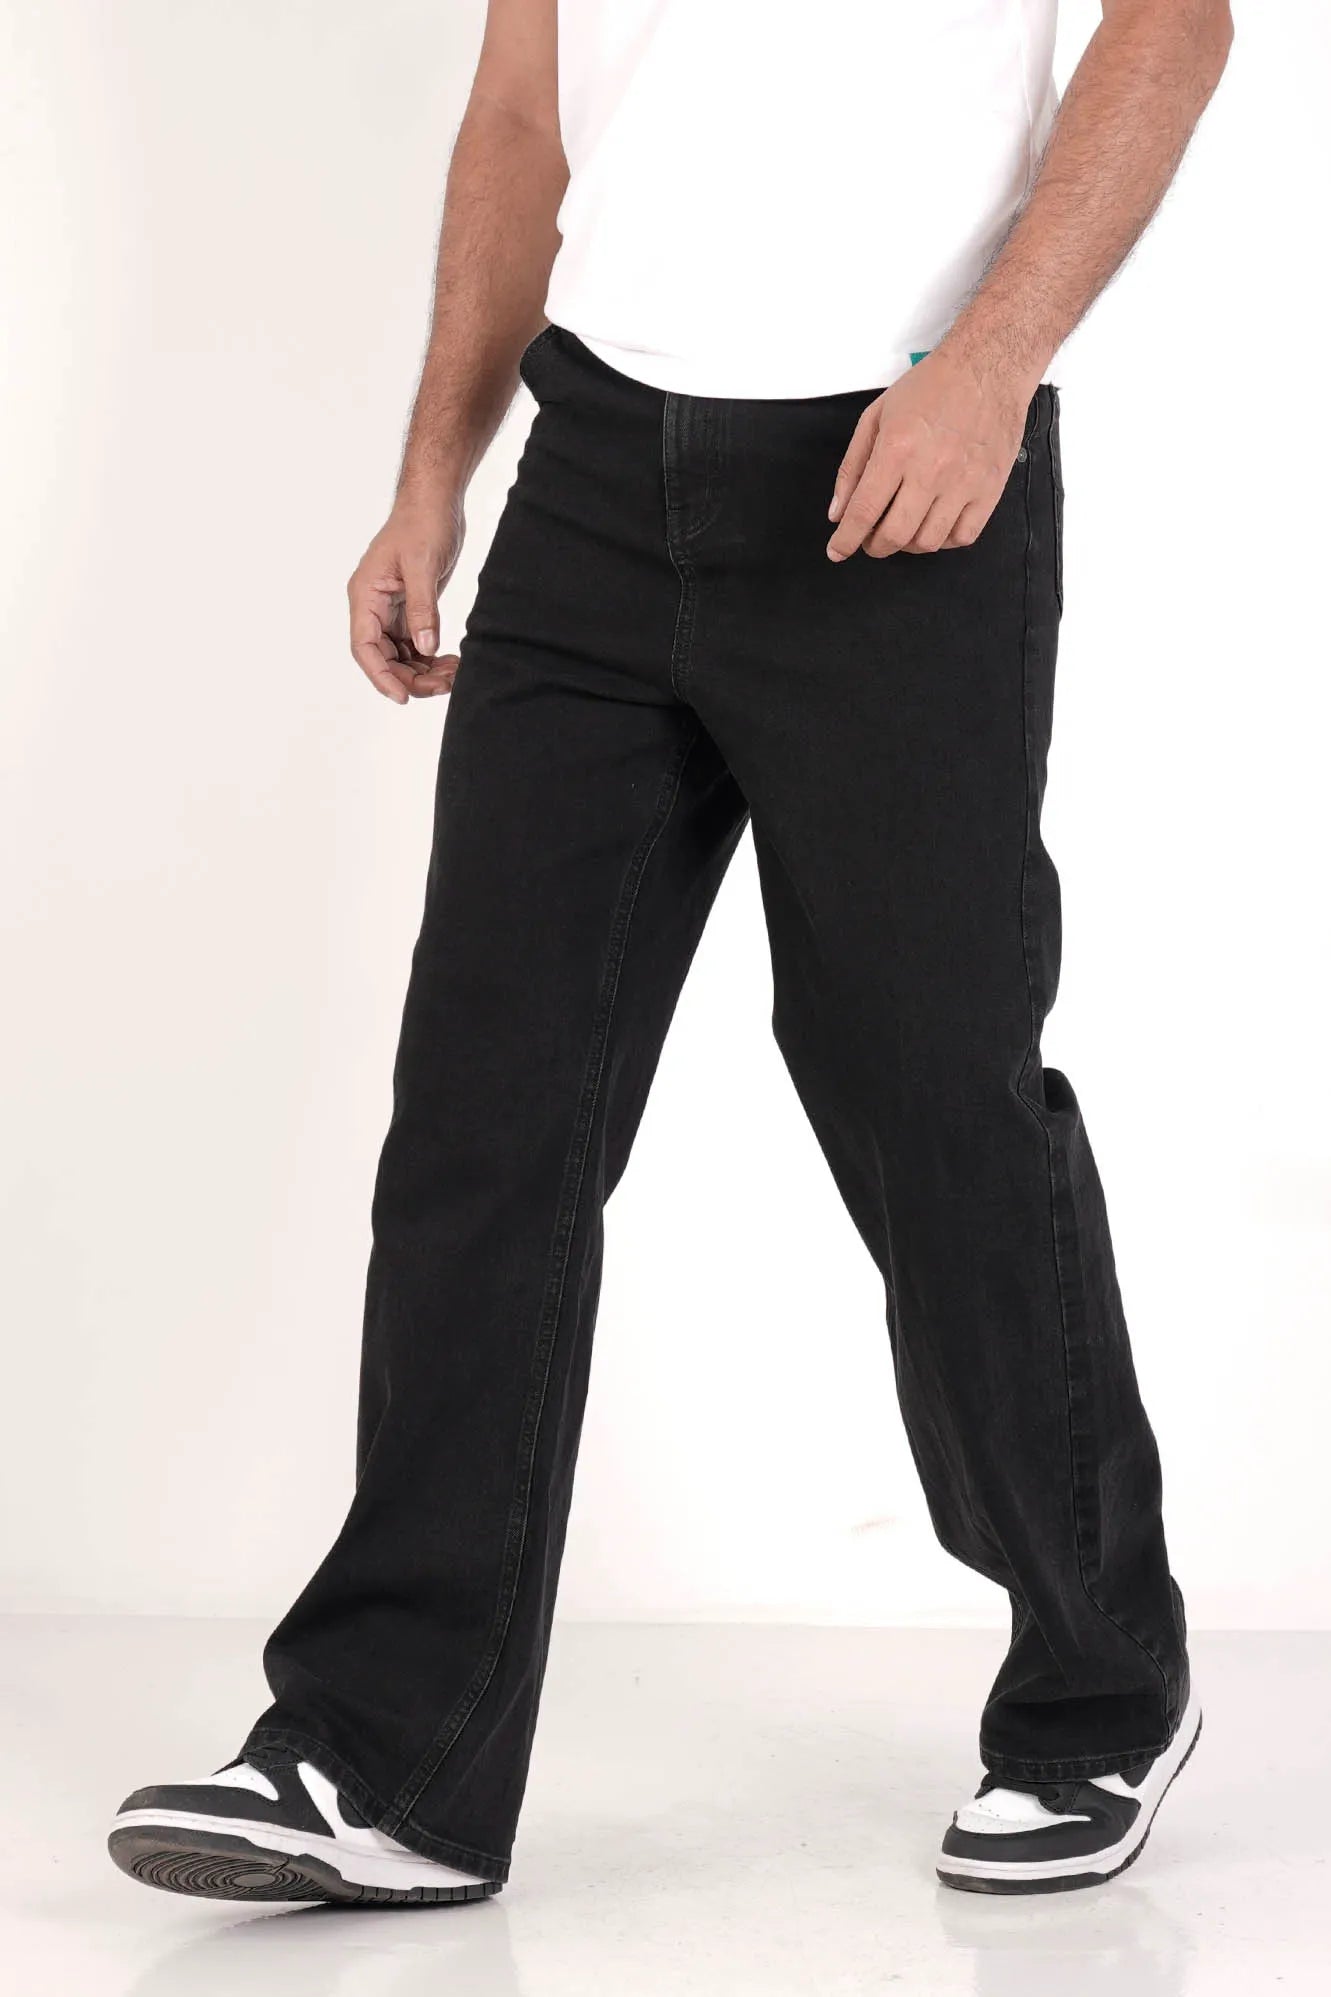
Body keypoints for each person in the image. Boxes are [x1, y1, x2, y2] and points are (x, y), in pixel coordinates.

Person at [109, 0, 1232, 1904]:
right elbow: (520, 112)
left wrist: (992, 368)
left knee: (934, 1108)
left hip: (900, 467)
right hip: (599, 472)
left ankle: (1099, 1682)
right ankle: (383, 1755)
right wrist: (435, 470)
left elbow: (1176, 26)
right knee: (486, 1117)